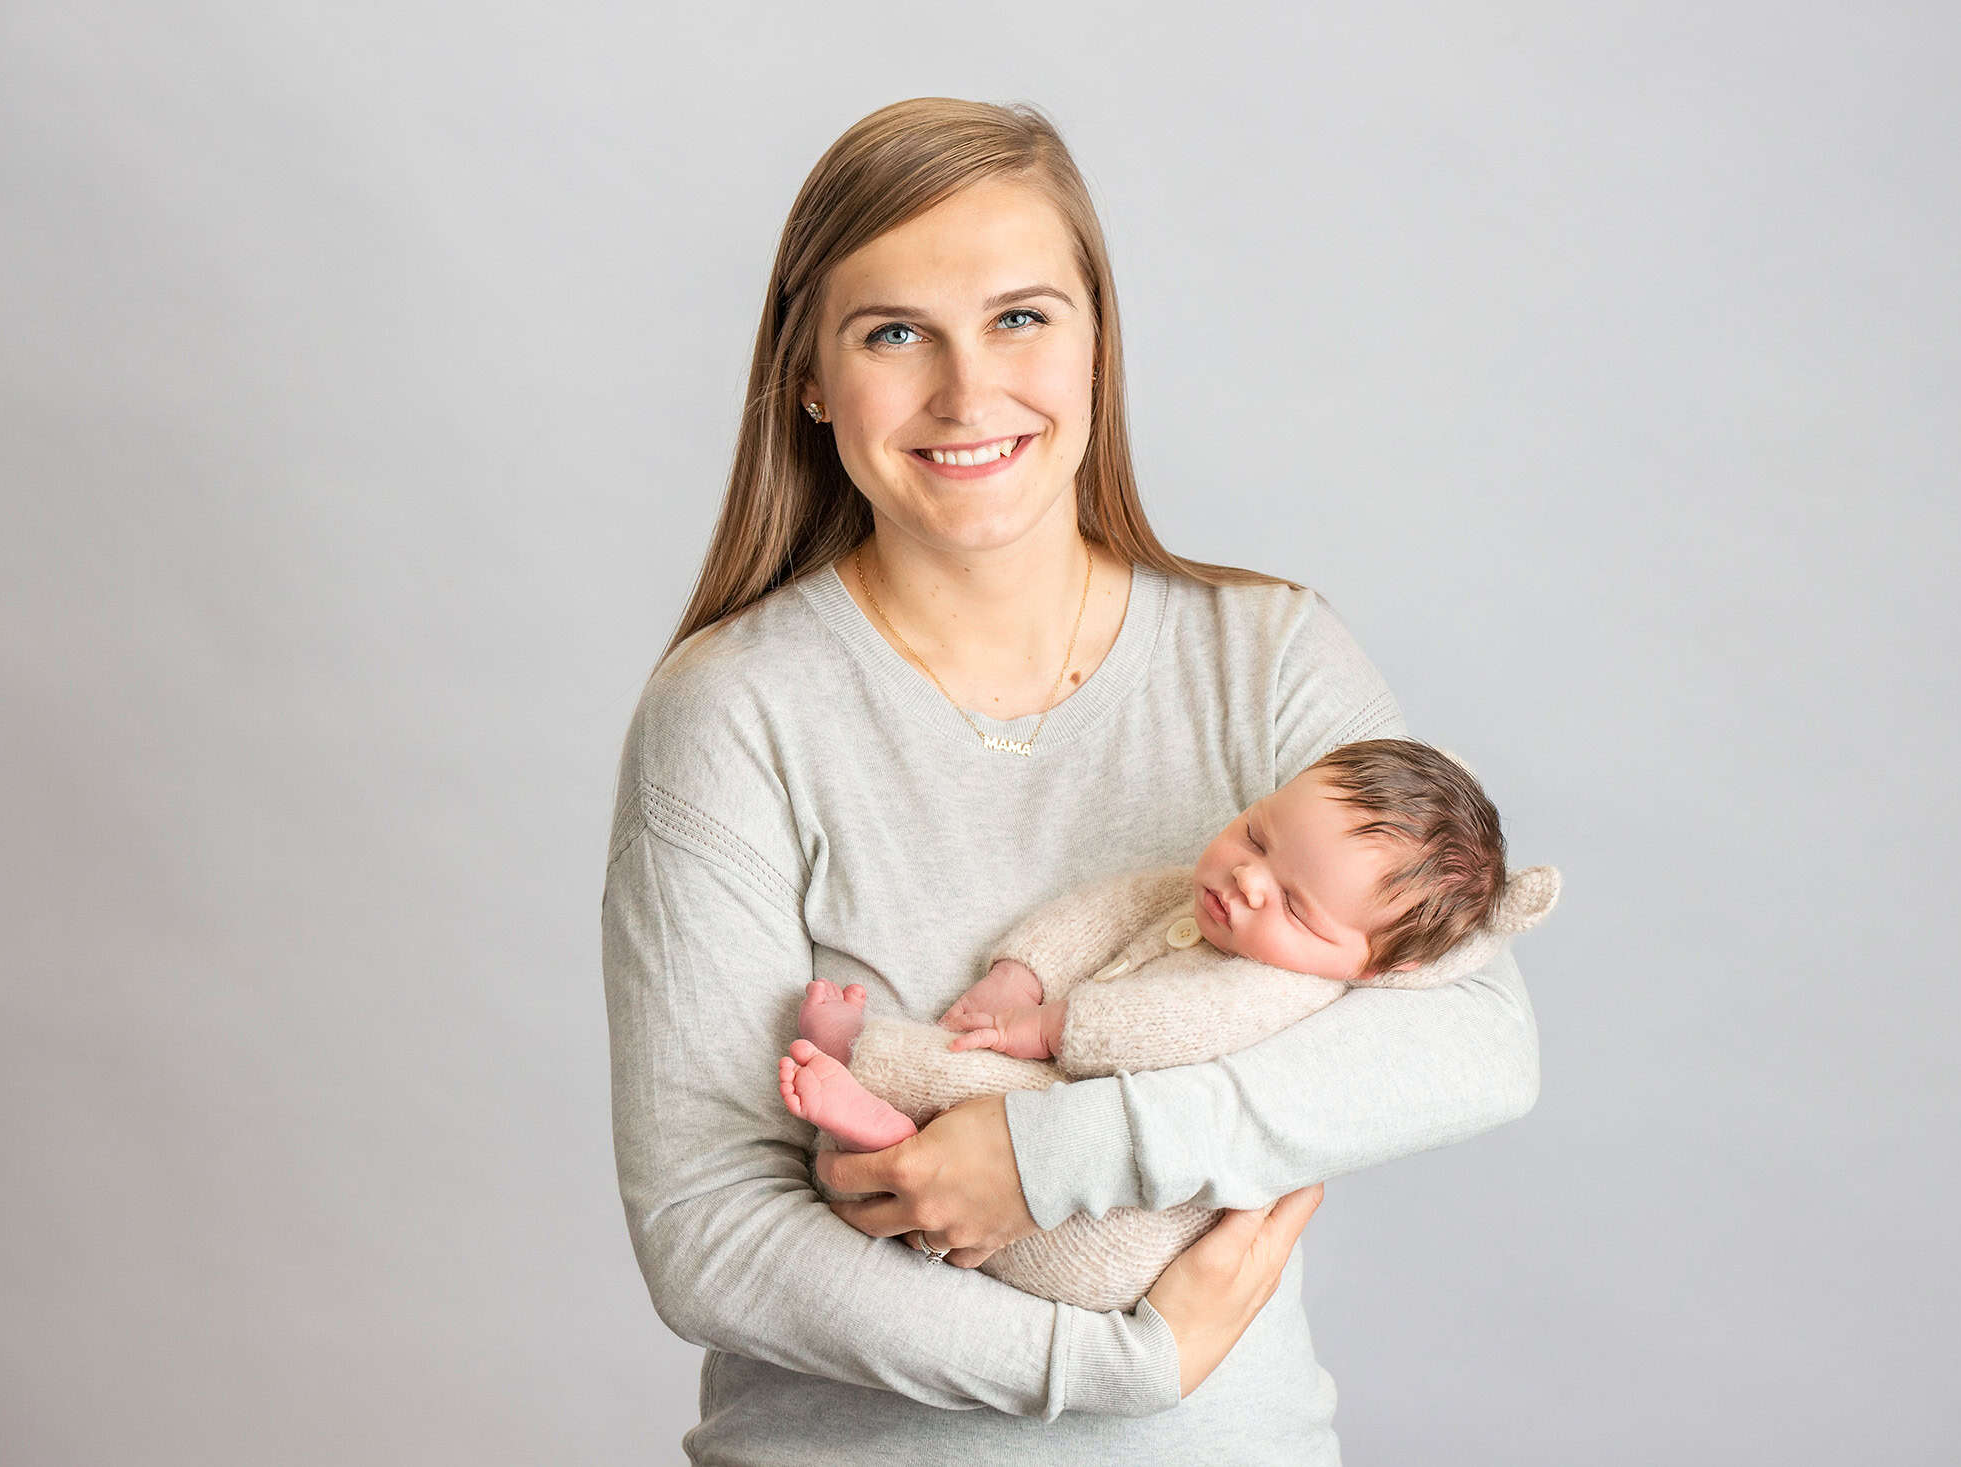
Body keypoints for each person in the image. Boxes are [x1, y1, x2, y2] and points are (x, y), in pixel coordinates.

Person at [601, 97, 1540, 1465]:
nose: (968, 393)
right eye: (895, 331)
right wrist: (1109, 1361)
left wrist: (1054, 1157)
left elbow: (1479, 1040)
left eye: (1023, 317)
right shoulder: (733, 711)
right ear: (810, 374)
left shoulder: (1268, 654)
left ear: (1099, 342)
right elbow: (711, 1231)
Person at [775, 738, 1560, 1313]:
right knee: (992, 1111)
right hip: (1049, 1157)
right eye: (1256, 833)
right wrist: (1019, 972)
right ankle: (882, 1135)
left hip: (1108, 1233)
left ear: (1371, 966)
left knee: (988, 1085)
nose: (1247, 880)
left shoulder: (1283, 988)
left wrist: (1049, 1023)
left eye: (1294, 906)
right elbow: (1100, 913)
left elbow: (1175, 1025)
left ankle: (868, 1063)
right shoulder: (1201, 893)